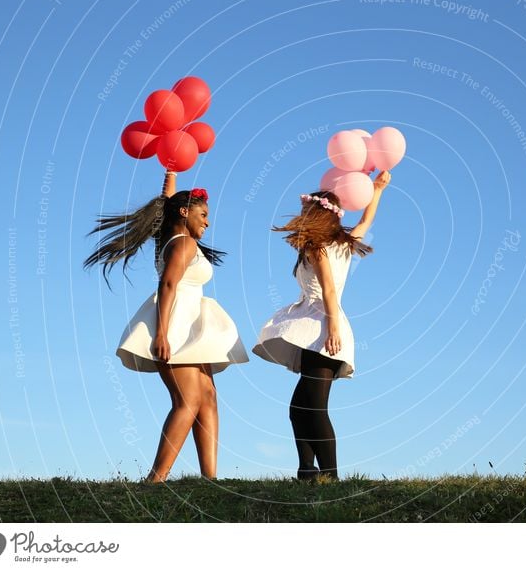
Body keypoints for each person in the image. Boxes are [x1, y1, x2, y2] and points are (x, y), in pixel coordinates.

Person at [83, 172, 248, 483]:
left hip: (191, 327)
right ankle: (156, 479)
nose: (207, 222)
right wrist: (161, 334)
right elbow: (168, 284)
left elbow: (167, 208)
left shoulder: (169, 236)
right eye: (203, 214)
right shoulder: (182, 243)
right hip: (176, 325)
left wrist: (170, 175)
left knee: (208, 397)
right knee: (187, 401)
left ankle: (209, 479)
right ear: (184, 213)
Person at [253, 170, 391, 480]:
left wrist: (332, 329)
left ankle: (330, 475)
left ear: (318, 217)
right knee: (300, 407)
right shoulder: (339, 244)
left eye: (306, 213)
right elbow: (366, 223)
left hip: (321, 325)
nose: (300, 217)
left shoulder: (319, 248)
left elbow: (328, 289)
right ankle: (307, 472)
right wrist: (379, 189)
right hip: (317, 325)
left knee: (313, 406)